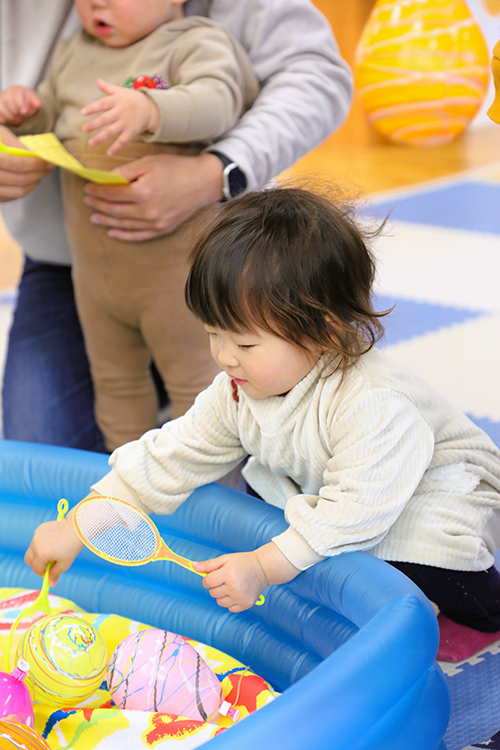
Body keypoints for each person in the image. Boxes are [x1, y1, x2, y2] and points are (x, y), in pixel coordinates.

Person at [25, 186, 500, 661]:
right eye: (213, 334)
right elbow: (173, 455)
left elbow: (358, 509)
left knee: (428, 550)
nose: (224, 356)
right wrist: (77, 526)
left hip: (438, 494)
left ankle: (483, 614)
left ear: (325, 330)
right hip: (343, 490)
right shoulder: (238, 387)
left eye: (245, 345)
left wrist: (264, 566)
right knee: (266, 493)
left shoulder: (375, 402)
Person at [0, 0, 352, 452]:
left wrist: (184, 141)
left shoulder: (196, 41)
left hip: (187, 276)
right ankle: (126, 482)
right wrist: (22, 115)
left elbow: (224, 95)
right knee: (105, 395)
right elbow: (48, 108)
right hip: (84, 273)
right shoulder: (74, 51)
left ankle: (207, 492)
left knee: (202, 392)